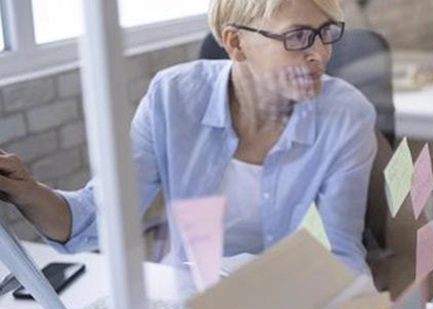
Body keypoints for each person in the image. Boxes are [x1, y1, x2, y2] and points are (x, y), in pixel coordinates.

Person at [0, 0, 377, 276]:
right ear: (235, 43)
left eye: (326, 33)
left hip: (292, 302)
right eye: (298, 36)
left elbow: (340, 252)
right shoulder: (173, 98)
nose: (321, 54)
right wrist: (28, 193)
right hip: (190, 299)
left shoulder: (346, 114)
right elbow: (97, 220)